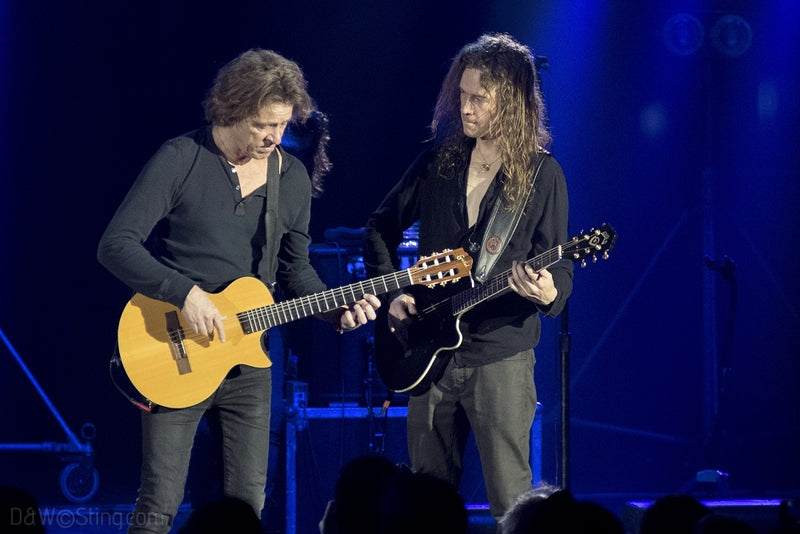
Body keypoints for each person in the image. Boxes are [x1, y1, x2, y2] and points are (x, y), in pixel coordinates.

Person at [97, 48, 380, 534]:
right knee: (159, 501)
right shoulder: (181, 157)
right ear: (231, 110)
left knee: (248, 503)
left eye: (283, 126)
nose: (275, 137)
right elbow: (115, 245)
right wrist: (183, 292)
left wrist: (335, 310)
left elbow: (295, 271)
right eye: (262, 125)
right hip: (173, 347)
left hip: (249, 360)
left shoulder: (289, 176)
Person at [362, 32, 573, 524]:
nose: (466, 107)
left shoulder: (543, 176)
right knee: (423, 507)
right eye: (461, 95)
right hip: (427, 354)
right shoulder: (439, 163)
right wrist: (392, 293)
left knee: (511, 505)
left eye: (479, 97)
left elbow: (558, 261)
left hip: (501, 353)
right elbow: (378, 227)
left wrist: (548, 290)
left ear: (514, 100)